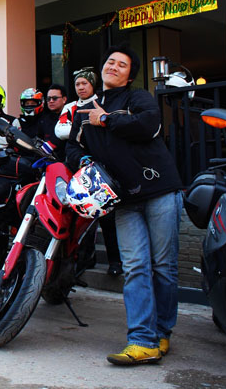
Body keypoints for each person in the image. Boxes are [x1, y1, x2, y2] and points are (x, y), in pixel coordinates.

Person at [66, 46, 183, 365]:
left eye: (122, 65)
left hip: (160, 189)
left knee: (163, 267)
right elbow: (72, 150)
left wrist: (105, 119)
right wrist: (86, 160)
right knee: (135, 268)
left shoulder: (138, 98)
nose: (114, 67)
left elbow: (148, 125)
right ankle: (142, 340)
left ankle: (162, 333)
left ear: (130, 75)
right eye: (110, 62)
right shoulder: (82, 110)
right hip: (123, 200)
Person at [56, 67, 122, 277]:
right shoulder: (71, 107)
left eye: (85, 83)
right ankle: (82, 260)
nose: (81, 87)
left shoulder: (103, 103)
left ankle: (115, 262)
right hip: (80, 169)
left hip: (104, 169)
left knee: (107, 219)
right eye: (77, 84)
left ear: (93, 84)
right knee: (81, 218)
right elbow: (63, 133)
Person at [36, 84, 68, 159]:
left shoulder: (71, 117)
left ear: (64, 99)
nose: (51, 101)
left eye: (54, 98)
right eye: (48, 98)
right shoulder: (43, 120)